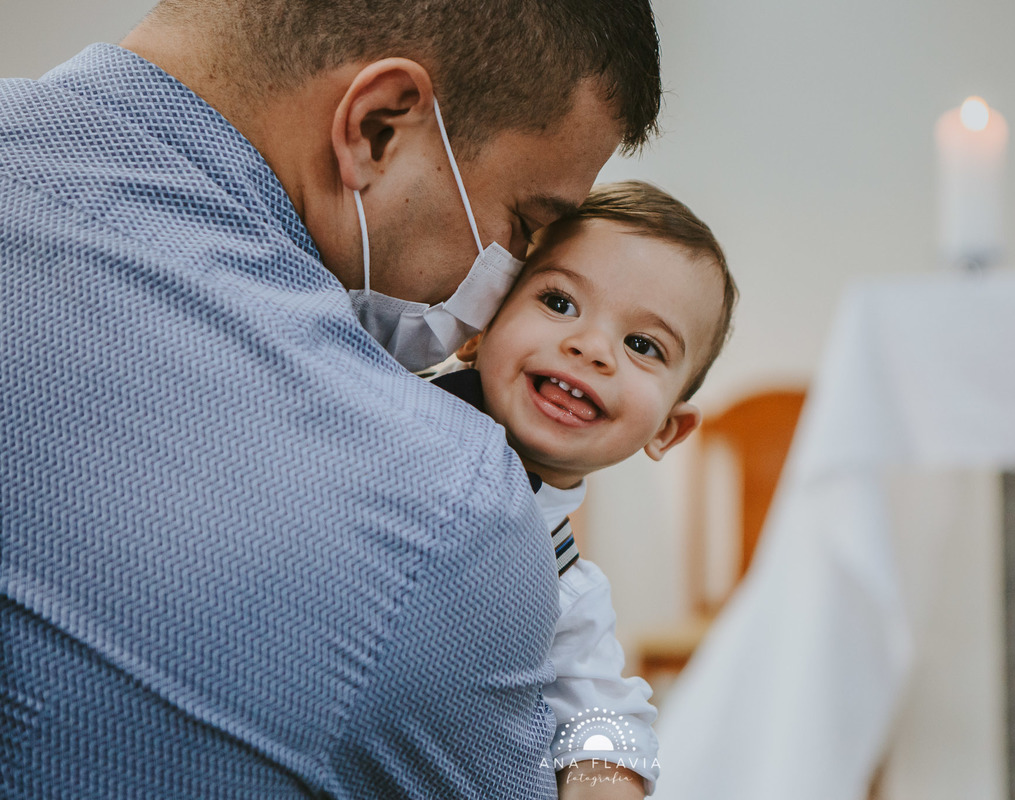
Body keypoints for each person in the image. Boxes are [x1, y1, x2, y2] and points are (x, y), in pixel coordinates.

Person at [0, 1, 661, 797]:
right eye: (523, 228)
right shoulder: (444, 509)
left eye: (645, 346)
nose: (506, 289)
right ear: (379, 127)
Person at [430, 181, 738, 799]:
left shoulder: (563, 584)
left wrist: (603, 778)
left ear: (667, 430)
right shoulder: (375, 402)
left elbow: (603, 715)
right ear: (478, 326)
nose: (592, 348)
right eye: (560, 302)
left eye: (643, 345)